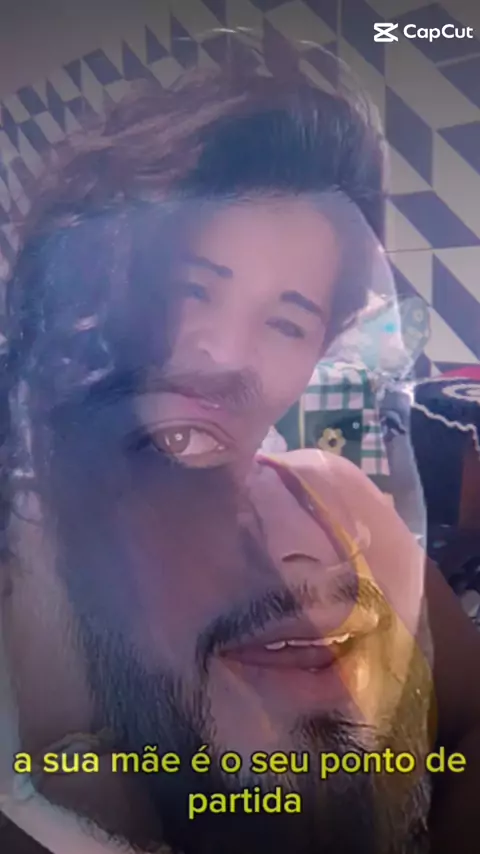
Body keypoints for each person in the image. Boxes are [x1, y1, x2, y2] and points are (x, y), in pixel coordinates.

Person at [0, 53, 479, 854]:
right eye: (196, 289)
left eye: (286, 322)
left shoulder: (335, 502)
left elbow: (470, 718)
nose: (224, 356)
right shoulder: (34, 554)